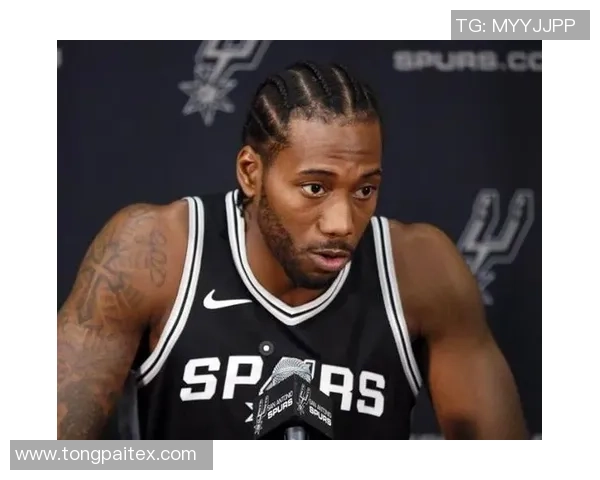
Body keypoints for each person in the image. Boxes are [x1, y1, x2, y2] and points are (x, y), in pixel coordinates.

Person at [57, 61, 528, 440]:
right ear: (251, 173)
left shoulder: (421, 269)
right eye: (315, 187)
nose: (342, 223)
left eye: (365, 190)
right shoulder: (154, 251)